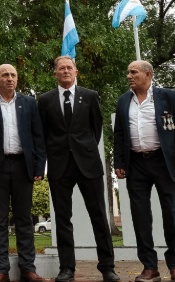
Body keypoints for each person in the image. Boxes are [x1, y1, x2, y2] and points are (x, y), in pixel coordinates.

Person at [37, 56, 120, 282]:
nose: (65, 71)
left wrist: (83, 149)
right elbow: (43, 135)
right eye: (61, 68)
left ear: (76, 72)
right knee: (62, 220)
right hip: (59, 166)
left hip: (89, 165)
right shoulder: (44, 100)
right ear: (55, 73)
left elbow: (96, 130)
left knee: (99, 218)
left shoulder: (90, 96)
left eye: (69, 68)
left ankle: (107, 267)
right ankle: (66, 269)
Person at [113, 61, 175, 282]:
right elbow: (119, 134)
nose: (129, 76)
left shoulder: (168, 96)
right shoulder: (123, 101)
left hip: (164, 161)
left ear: (148, 74)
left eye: (133, 72)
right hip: (135, 164)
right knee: (140, 216)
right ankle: (149, 267)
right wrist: (118, 161)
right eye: (128, 72)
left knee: (173, 214)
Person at [0, 64, 46, 282]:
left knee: (24, 220)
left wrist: (40, 166)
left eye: (13, 75)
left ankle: (28, 269)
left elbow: (37, 137)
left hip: (23, 167)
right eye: (5, 75)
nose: (10, 78)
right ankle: (0, 270)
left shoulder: (29, 103)